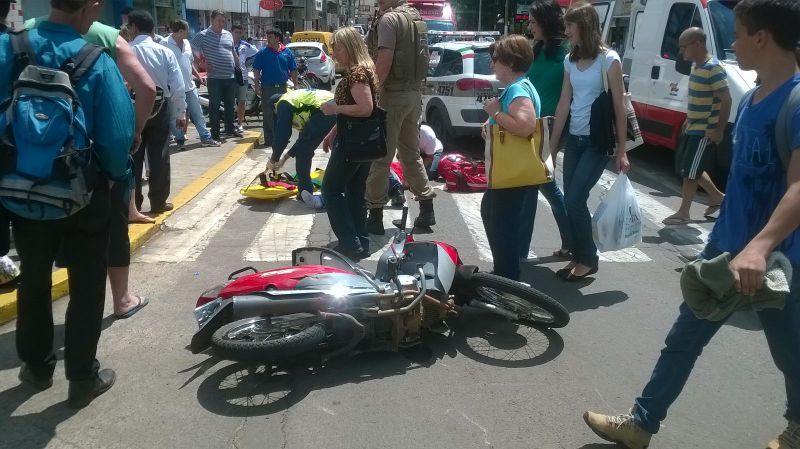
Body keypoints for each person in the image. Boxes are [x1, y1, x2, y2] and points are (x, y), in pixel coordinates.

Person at [583, 2, 800, 448]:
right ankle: (641, 424)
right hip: (724, 252)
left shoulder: (796, 102)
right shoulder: (753, 98)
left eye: (738, 34)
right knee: (683, 338)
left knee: (790, 354)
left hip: (778, 262)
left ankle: (797, 424)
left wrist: (759, 247)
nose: (733, 43)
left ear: (761, 38)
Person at [0, 0, 134, 407]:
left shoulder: (9, 47)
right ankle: (81, 377)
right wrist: (114, 177)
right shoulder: (96, 60)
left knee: (33, 277)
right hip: (82, 194)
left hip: (21, 191)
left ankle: (37, 368)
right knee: (87, 284)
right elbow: (116, 136)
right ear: (90, 7)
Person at [548, 2, 630, 282]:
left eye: (570, 25)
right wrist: (552, 146)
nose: (566, 31)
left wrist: (622, 150)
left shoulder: (609, 60)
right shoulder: (570, 60)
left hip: (597, 142)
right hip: (575, 140)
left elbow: (619, 107)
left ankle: (588, 259)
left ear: (584, 26)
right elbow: (564, 103)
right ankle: (579, 255)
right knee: (571, 202)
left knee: (574, 200)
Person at [364, 0, 436, 235]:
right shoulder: (414, 17)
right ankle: (427, 208)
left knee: (380, 157)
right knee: (410, 154)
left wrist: (371, 92)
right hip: (413, 94)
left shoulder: (389, 19)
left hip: (392, 96)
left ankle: (375, 215)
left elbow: (384, 61)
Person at [479, 35, 541, 281]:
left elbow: (525, 126)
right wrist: (491, 122)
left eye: (496, 59)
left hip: (511, 172)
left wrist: (495, 113)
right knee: (492, 214)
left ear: (511, 63)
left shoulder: (517, 89)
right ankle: (504, 274)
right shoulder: (522, 86)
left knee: (502, 227)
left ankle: (508, 280)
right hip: (512, 171)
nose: (492, 64)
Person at [518, 0, 574, 262]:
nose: (529, 27)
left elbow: (567, 98)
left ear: (546, 23)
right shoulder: (537, 49)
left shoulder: (567, 52)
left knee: (543, 185)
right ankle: (569, 241)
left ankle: (569, 241)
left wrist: (554, 139)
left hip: (551, 127)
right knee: (540, 186)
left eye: (533, 22)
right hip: (530, 125)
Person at [320, 27, 377, 259]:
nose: (335, 54)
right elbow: (361, 110)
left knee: (330, 190)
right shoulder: (363, 70)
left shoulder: (357, 73)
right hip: (363, 141)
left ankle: (350, 242)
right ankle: (360, 242)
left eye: (339, 48)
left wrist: (334, 108)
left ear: (351, 47)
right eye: (333, 49)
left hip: (353, 143)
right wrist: (333, 131)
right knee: (354, 191)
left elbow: (366, 108)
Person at [662, 27, 728, 226]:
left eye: (683, 47)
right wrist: (687, 120)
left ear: (697, 44)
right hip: (692, 127)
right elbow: (698, 99)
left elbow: (726, 99)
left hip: (704, 131)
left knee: (690, 172)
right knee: (689, 166)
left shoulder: (713, 68)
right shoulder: (696, 66)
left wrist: (718, 130)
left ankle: (684, 212)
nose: (680, 51)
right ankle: (718, 198)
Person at [128, 10, 186, 214]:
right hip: (160, 107)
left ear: (134, 27)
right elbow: (178, 86)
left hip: (132, 107)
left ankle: (133, 204)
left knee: (133, 156)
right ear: (152, 29)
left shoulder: (127, 51)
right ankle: (159, 202)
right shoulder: (164, 52)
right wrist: (180, 113)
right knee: (159, 155)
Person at [265, 88, 335, 209]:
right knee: (340, 151)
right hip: (336, 106)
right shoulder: (297, 101)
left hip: (325, 109)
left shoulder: (282, 103)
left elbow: (282, 135)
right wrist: (284, 159)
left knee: (303, 153)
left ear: (274, 108)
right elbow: (302, 139)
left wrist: (273, 159)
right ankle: (343, 189)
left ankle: (305, 191)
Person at [164, 19, 220, 147]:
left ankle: (205, 137)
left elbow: (189, 62)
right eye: (187, 31)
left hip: (189, 86)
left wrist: (198, 76)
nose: (188, 33)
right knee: (174, 116)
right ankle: (179, 138)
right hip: (173, 88)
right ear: (180, 31)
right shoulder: (165, 43)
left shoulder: (187, 43)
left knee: (198, 113)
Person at [190, 9, 241, 141]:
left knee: (230, 105)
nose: (222, 23)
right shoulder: (202, 35)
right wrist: (201, 64)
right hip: (215, 78)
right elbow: (189, 49)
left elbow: (232, 51)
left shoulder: (228, 34)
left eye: (223, 21)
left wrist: (238, 66)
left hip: (230, 76)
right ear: (212, 20)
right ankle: (215, 133)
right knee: (214, 106)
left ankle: (230, 129)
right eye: (219, 21)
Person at [252, 27, 297, 147]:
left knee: (282, 113)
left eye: (270, 37)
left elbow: (293, 69)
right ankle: (270, 139)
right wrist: (257, 85)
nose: (268, 39)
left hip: (282, 88)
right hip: (268, 88)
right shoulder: (262, 53)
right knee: (268, 114)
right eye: (267, 37)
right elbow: (256, 70)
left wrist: (296, 85)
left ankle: (282, 137)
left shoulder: (287, 52)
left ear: (277, 38)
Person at [232, 24, 258, 133]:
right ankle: (229, 124)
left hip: (242, 77)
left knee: (241, 101)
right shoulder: (226, 44)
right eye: (236, 32)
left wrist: (247, 63)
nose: (238, 35)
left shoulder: (245, 45)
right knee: (229, 101)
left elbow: (257, 53)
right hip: (229, 77)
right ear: (232, 33)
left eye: (240, 32)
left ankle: (239, 124)